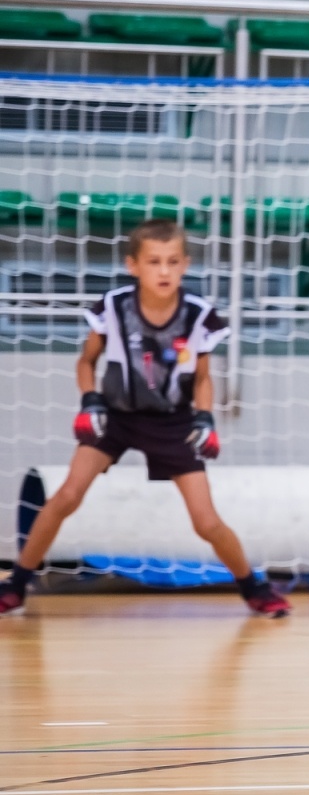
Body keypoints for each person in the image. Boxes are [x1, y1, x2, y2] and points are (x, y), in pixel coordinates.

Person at [0, 219, 290, 619]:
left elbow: (204, 377)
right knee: (66, 495)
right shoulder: (114, 308)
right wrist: (90, 401)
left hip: (173, 422)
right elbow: (86, 361)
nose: (165, 271)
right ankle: (15, 583)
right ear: (134, 265)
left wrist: (205, 419)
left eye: (173, 261)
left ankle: (253, 587)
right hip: (115, 416)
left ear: (185, 264)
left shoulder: (198, 316)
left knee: (206, 522)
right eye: (154, 262)